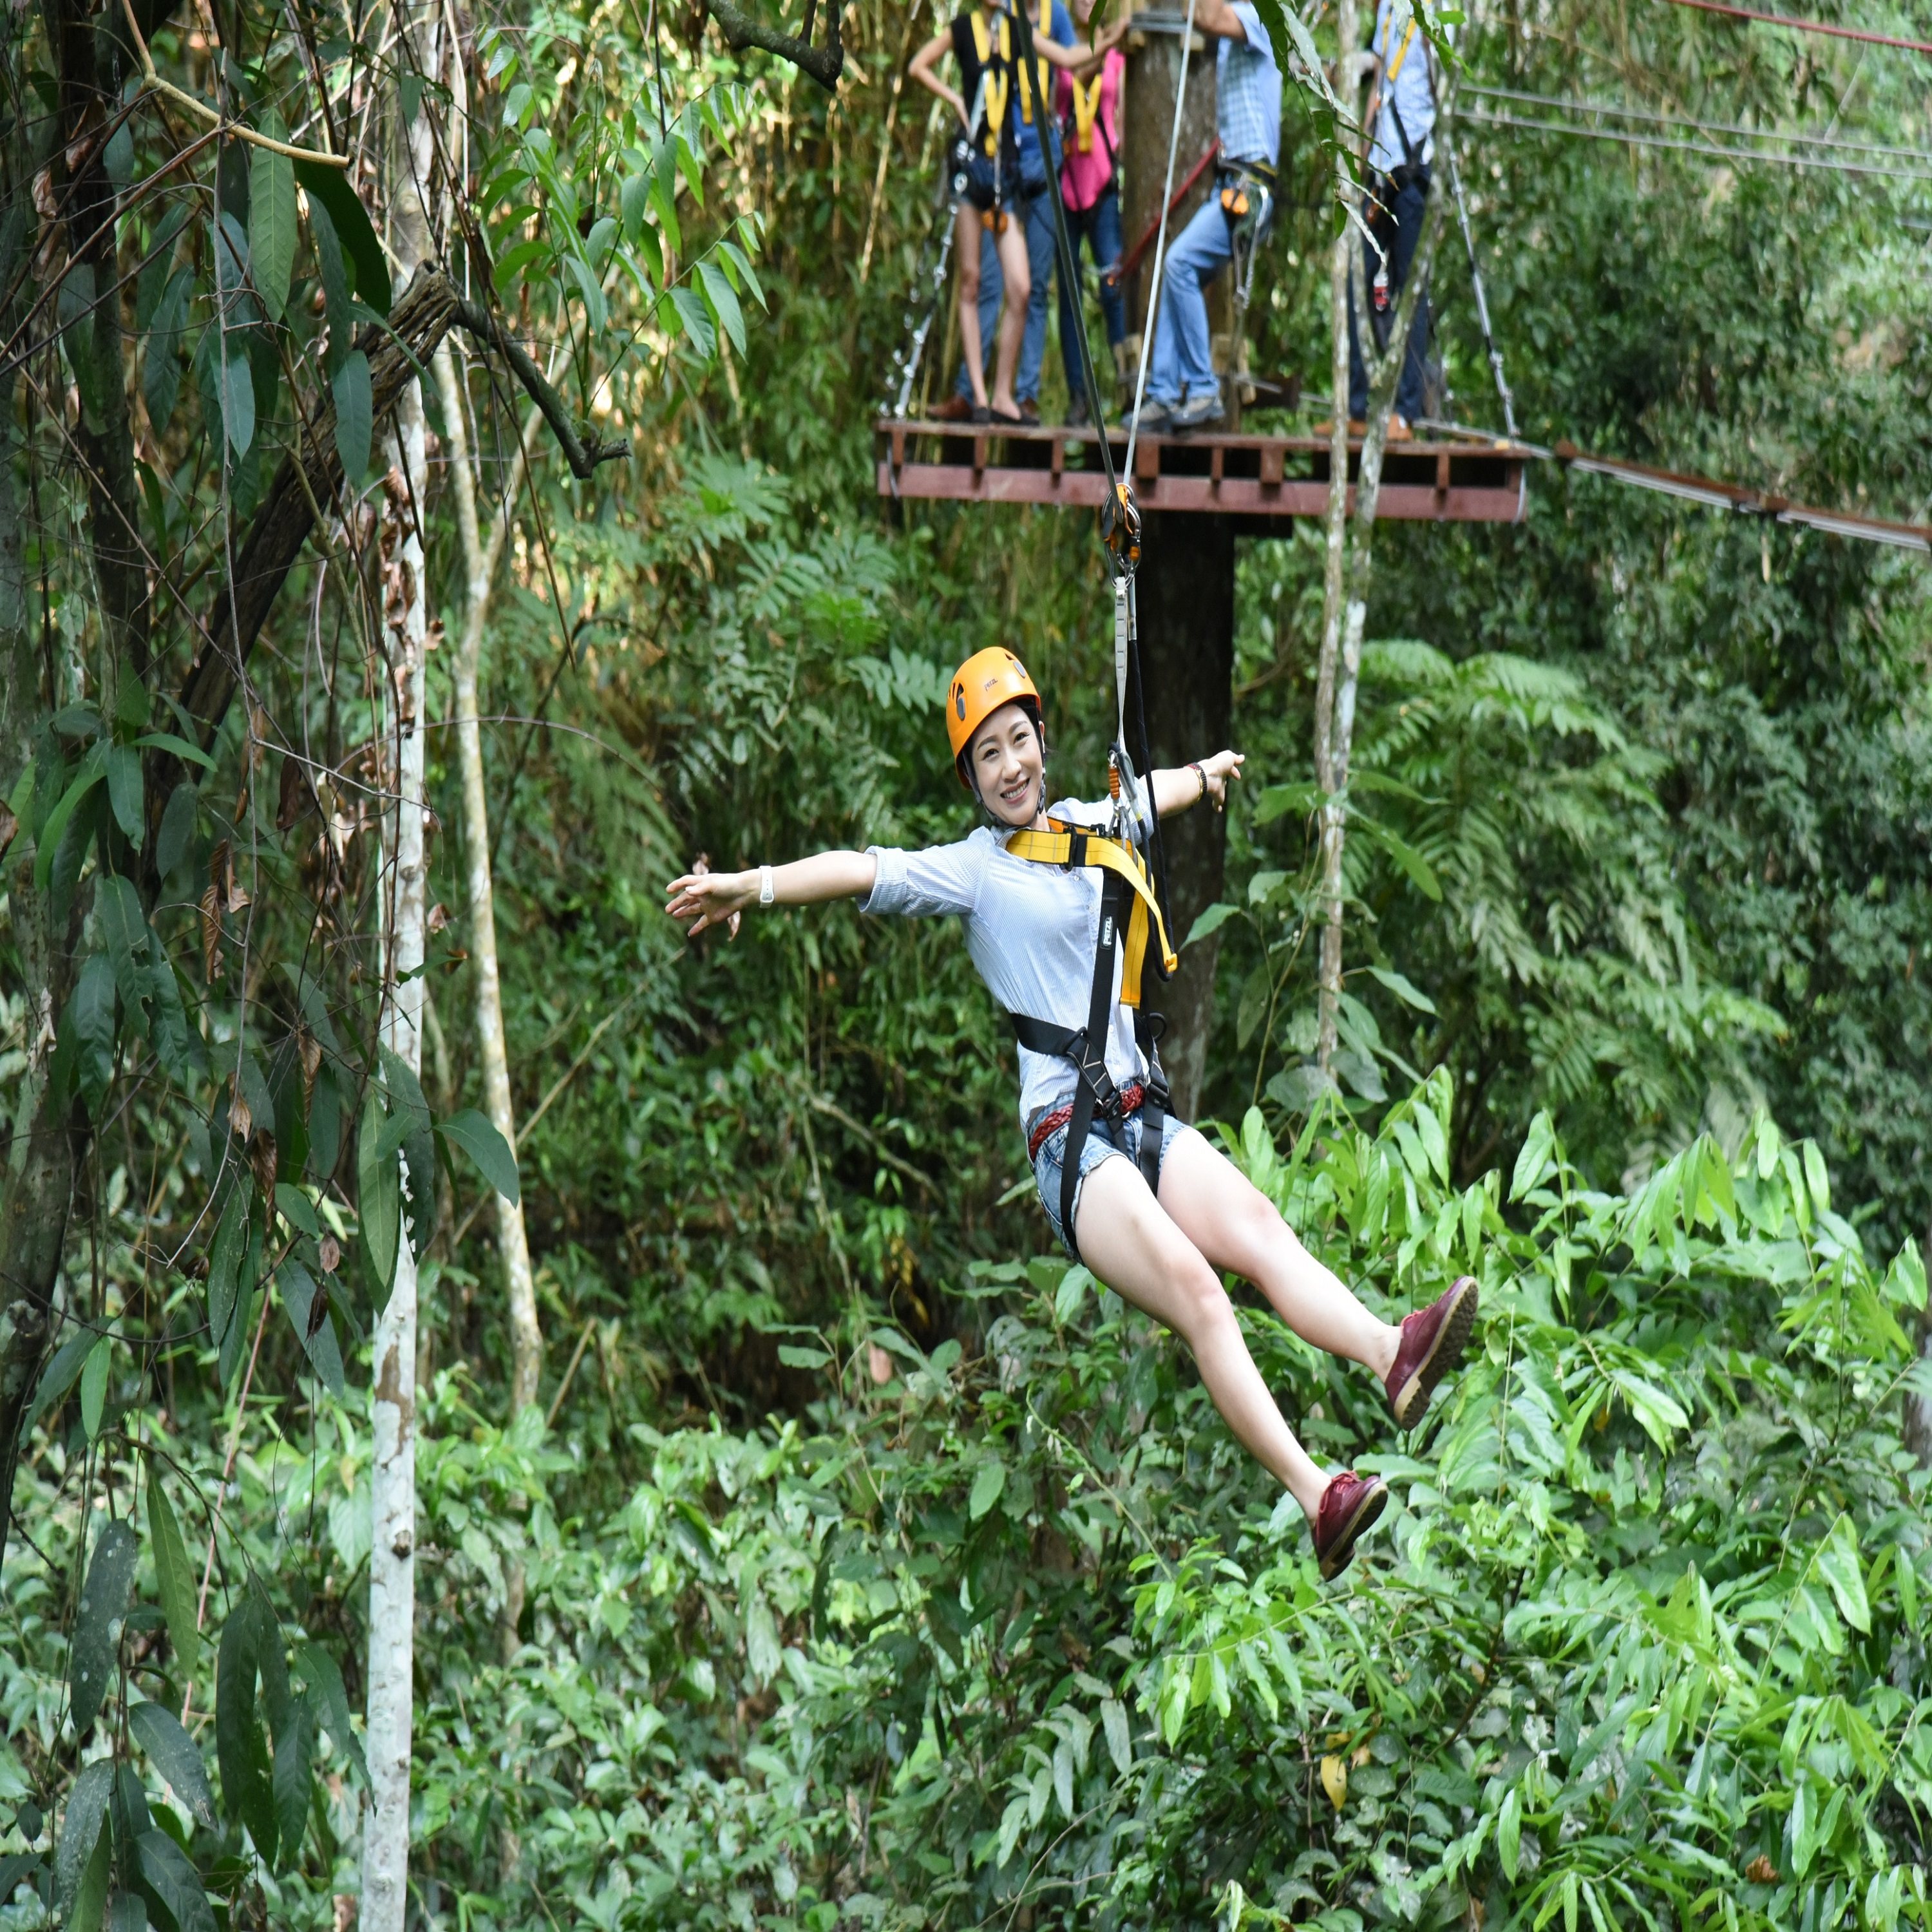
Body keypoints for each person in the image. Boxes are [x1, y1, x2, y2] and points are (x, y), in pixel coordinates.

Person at [665, 649, 1480, 1580]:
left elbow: (1151, 797)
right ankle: (1317, 1496)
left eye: (1020, 741)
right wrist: (751, 885)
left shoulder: (1096, 820)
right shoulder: (973, 872)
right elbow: (861, 869)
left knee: (1258, 1225)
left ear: (1045, 742)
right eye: (988, 757)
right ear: (971, 780)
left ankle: (1390, 1351)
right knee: (1200, 1292)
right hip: (1074, 1147)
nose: (1010, 766)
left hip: (1142, 1113)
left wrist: (1204, 777)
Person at [913, 1, 1118, 424]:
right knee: (972, 282)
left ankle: (1006, 393)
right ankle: (979, 396)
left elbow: (1066, 57)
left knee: (1022, 288)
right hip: (973, 173)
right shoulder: (964, 28)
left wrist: (1114, 36)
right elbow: (919, 66)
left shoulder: (1016, 29)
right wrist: (954, 98)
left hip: (1007, 177)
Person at [1139, 0, 1281, 435]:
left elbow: (1206, 15)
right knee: (1182, 273)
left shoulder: (1259, 17)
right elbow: (1194, 15)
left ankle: (1203, 387)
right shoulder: (1232, 32)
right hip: (1231, 186)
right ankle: (1163, 392)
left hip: (1250, 187)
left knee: (1179, 264)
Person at [1345, 0, 1443, 437]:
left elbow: (1441, 80)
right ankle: (1359, 408)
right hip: (1380, 170)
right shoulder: (1386, 7)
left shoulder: (1439, 8)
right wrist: (1361, 159)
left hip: (1414, 166)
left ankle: (1406, 411)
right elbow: (1380, 85)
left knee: (1411, 289)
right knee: (1360, 278)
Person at [1054, 0, 1127, 425]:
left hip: (1102, 184)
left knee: (1112, 285)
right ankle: (1078, 396)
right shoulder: (1063, 49)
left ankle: (1125, 385)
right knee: (1069, 295)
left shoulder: (1119, 55)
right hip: (1067, 183)